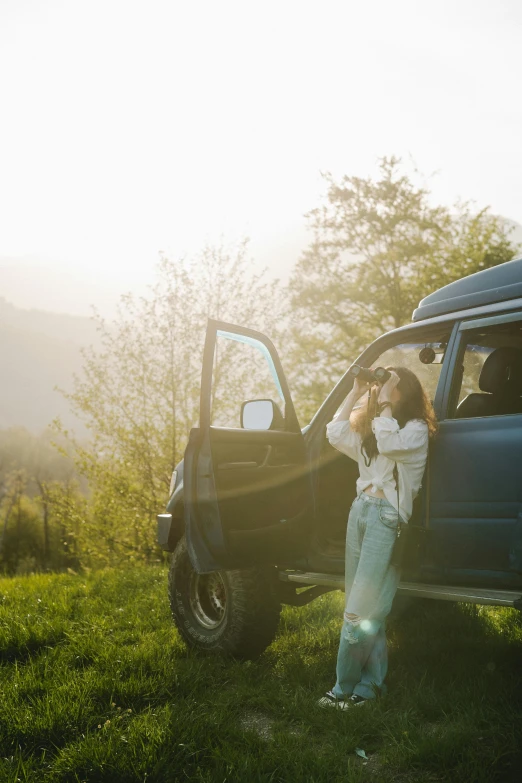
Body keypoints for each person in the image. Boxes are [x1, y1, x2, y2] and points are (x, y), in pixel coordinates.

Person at [318, 366, 437, 709]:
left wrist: (382, 405)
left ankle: (342, 688)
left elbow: (389, 441)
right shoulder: (373, 430)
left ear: (405, 392)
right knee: (366, 606)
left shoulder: (414, 431)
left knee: (358, 610)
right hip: (360, 513)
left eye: (390, 386)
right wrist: (356, 391)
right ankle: (369, 688)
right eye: (381, 385)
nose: (383, 390)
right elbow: (335, 432)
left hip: (387, 520)